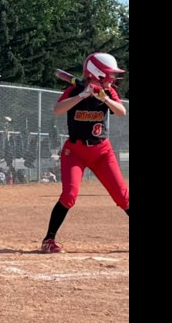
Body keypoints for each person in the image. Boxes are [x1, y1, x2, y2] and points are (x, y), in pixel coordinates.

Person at [41, 52, 129, 253]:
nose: (113, 78)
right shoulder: (74, 90)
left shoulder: (108, 92)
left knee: (122, 196)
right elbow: (58, 110)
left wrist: (104, 99)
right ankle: (49, 240)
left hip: (102, 152)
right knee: (69, 195)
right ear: (97, 73)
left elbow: (121, 111)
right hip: (76, 152)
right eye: (110, 74)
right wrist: (82, 95)